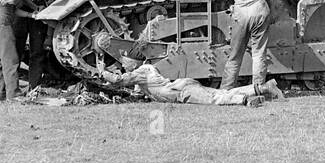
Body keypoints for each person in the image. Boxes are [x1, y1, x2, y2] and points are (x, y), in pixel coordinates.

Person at [101, 55, 281, 105]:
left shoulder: (140, 72)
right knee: (222, 92)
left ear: (133, 64)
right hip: (181, 87)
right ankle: (263, 88)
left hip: (180, 92)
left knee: (215, 99)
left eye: (125, 63)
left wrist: (101, 71)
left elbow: (118, 80)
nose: (123, 66)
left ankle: (245, 101)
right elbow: (139, 93)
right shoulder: (145, 73)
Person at [220, 0, 278, 92]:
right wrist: (272, 12)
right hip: (260, 8)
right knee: (259, 53)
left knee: (235, 54)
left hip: (241, 10)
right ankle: (257, 89)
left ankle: (226, 90)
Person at [14, 0, 63, 93]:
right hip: (22, 5)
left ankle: (33, 87)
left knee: (37, 50)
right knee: (17, 47)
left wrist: (48, 3)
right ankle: (12, 87)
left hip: (40, 9)